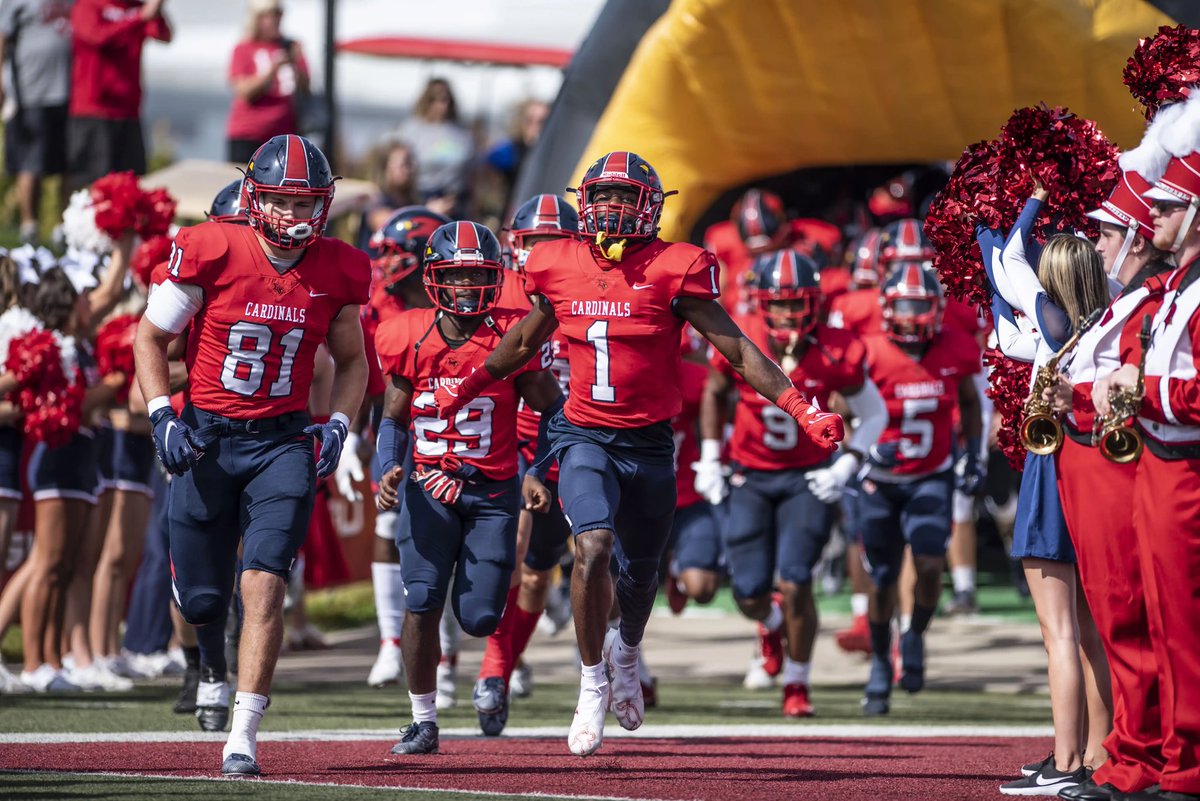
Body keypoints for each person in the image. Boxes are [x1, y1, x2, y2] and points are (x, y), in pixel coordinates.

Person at [431, 151, 844, 756]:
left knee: (640, 575)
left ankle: (627, 655)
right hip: (583, 435)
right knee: (591, 546)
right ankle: (591, 682)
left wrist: (801, 406)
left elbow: (736, 349)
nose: (614, 208)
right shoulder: (556, 262)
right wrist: (463, 385)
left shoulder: (678, 268)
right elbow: (521, 341)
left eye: (627, 197)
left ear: (651, 206)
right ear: (585, 203)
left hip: (650, 442)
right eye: (604, 196)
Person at [133, 133, 370, 777]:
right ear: (257, 198)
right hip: (208, 435)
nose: (298, 216)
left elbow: (354, 361)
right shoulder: (210, 247)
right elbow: (150, 337)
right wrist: (162, 416)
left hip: (282, 441)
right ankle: (206, 662)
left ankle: (243, 735)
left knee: (264, 583)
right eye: (286, 202)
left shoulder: (338, 266)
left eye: (310, 203)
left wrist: (339, 424)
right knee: (203, 600)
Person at [373, 220, 562, 755]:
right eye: (456, 276)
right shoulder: (407, 333)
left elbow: (554, 409)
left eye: (478, 275)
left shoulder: (509, 335)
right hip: (428, 487)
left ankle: (483, 657)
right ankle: (422, 718)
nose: (467, 288)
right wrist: (387, 466)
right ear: (435, 278)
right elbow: (390, 417)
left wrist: (537, 470)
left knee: (479, 616)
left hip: (491, 493)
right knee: (422, 599)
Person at [697, 249, 886, 717]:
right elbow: (714, 393)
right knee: (748, 592)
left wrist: (846, 464)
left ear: (814, 302)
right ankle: (771, 623)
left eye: (794, 301)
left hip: (808, 477)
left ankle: (797, 684)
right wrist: (708, 457)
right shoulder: (740, 337)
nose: (785, 312)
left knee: (797, 579)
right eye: (777, 302)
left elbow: (874, 413)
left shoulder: (837, 346)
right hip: (750, 473)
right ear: (761, 302)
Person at [1036, 169, 1172, 801]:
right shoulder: (1128, 301)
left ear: (1139, 236)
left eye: (1108, 230)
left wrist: (1084, 395)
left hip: (1122, 471)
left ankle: (1146, 757)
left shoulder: (1146, 303)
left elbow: (1138, 385)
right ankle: (1133, 752)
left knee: (1135, 620)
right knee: (1121, 622)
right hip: (1094, 469)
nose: (1096, 240)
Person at [985, 186, 1112, 796]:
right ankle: (1096, 753)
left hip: (1051, 467)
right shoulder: (1103, 321)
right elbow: (1010, 338)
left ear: (1054, 282)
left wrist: (1030, 200)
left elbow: (1007, 258)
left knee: (1056, 628)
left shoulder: (1052, 317)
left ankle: (1066, 766)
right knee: (1089, 629)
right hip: (1093, 470)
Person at [1097, 125, 1200, 801]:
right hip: (1161, 463)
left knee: (1186, 622)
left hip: (1187, 468)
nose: (1153, 213)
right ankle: (1169, 756)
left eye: (1167, 205)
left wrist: (1142, 389)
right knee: (1162, 620)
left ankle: (1189, 765)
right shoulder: (1177, 287)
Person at [470, 193, 577, 735]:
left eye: (555, 243)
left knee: (538, 573)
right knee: (511, 551)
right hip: (509, 438)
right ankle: (490, 668)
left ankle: (503, 670)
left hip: (573, 438)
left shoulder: (590, 288)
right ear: (516, 245)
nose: (542, 254)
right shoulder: (502, 291)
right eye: (534, 242)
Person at [857, 261, 983, 717]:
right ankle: (877, 660)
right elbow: (838, 407)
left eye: (919, 306)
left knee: (930, 565)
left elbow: (969, 402)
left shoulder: (955, 347)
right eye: (904, 306)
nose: (911, 316)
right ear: (887, 308)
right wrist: (860, 453)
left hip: (932, 473)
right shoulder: (868, 351)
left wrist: (973, 454)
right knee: (882, 578)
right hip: (879, 480)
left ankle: (913, 636)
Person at [357, 206, 444, 690]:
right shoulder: (378, 305)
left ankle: (448, 655)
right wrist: (354, 433)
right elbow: (370, 379)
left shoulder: (461, 298)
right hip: (398, 424)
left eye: (395, 253)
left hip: (455, 427)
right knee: (389, 521)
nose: (385, 263)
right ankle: (392, 641)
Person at [67, 0, 171, 188]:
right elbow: (97, 37)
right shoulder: (87, 5)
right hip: (94, 109)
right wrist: (139, 17)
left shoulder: (135, 7)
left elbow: (163, 34)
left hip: (128, 110)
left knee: (132, 183)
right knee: (93, 184)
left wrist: (157, 7)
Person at [0, 0, 73, 245]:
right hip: (31, 94)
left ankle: (65, 230)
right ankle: (28, 229)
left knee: (68, 165)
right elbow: (2, 35)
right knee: (30, 164)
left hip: (69, 93)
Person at [225, 0, 309, 165]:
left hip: (285, 136)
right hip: (248, 135)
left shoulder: (290, 46)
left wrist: (294, 62)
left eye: (279, 14)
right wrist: (273, 70)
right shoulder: (244, 48)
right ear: (257, 18)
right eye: (270, 15)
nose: (276, 20)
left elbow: (306, 88)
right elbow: (244, 91)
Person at [394, 78, 473, 217]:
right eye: (437, 99)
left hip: (456, 201)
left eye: (446, 99)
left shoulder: (462, 132)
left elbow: (474, 172)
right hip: (422, 197)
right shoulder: (411, 130)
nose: (443, 104)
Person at [356, 141, 420, 250]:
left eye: (411, 163)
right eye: (404, 164)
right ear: (385, 168)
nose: (410, 170)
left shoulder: (411, 201)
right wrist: (429, 214)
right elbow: (390, 226)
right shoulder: (375, 198)